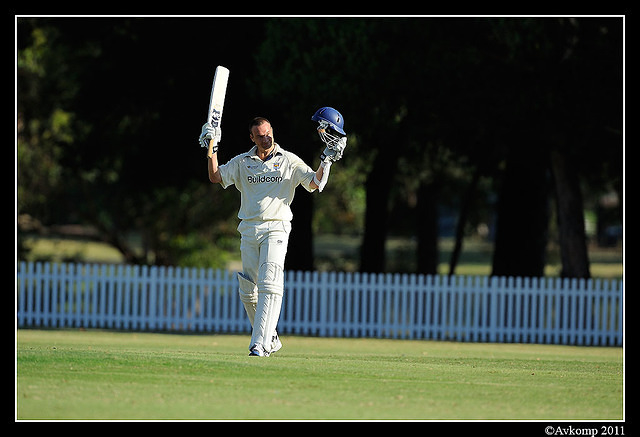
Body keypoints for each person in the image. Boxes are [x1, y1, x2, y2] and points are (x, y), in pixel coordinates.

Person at [199, 108, 347, 356]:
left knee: (270, 282)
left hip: (276, 227)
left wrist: (326, 160)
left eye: (268, 134)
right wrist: (211, 146)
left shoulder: (288, 160)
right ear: (252, 138)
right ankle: (272, 336)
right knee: (248, 290)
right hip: (248, 228)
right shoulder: (242, 162)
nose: (266, 139)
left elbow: (314, 183)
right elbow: (216, 177)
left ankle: (259, 343)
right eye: (260, 136)